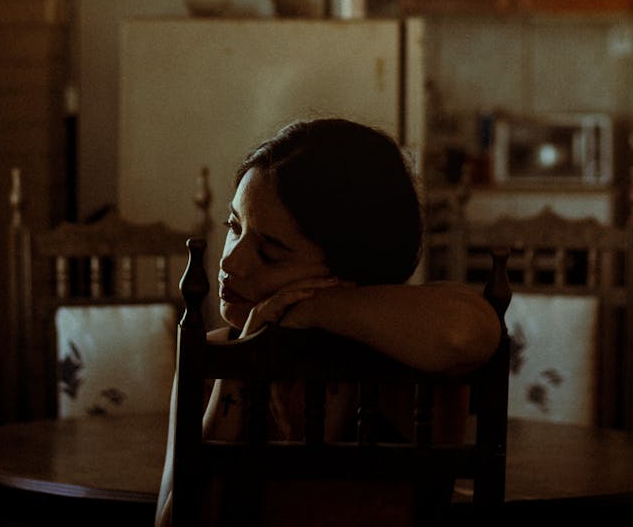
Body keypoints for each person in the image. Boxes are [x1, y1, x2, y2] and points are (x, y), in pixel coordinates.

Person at [155, 118, 501, 526]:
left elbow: (469, 333)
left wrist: (311, 309)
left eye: (271, 253)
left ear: (345, 274)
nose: (231, 262)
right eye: (234, 227)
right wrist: (239, 373)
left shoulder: (413, 365)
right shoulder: (211, 357)